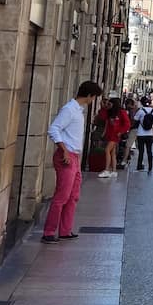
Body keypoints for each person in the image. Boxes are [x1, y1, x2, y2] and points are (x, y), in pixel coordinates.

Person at [42, 81, 103, 243]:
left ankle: (65, 230)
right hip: (66, 156)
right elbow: (54, 129)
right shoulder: (69, 110)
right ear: (89, 95)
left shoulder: (78, 111)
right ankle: (49, 232)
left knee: (73, 195)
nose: (93, 100)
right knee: (62, 196)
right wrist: (63, 150)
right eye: (94, 97)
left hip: (74, 156)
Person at [97, 97, 130, 178]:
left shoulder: (122, 112)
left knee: (107, 150)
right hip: (110, 134)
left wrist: (121, 132)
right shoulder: (110, 112)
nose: (108, 105)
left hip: (115, 135)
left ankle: (107, 169)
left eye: (110, 104)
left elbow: (127, 124)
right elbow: (102, 116)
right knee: (112, 153)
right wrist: (103, 107)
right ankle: (114, 170)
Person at [134, 96, 153, 174]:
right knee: (149, 151)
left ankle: (139, 165)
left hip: (141, 133)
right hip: (149, 134)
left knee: (141, 151)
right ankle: (150, 166)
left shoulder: (140, 111)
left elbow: (135, 120)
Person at [120, 97, 140, 168]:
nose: (126, 106)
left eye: (127, 104)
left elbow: (132, 121)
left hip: (133, 129)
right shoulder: (138, 110)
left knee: (128, 145)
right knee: (139, 146)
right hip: (139, 130)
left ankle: (124, 161)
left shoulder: (132, 111)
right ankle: (140, 161)